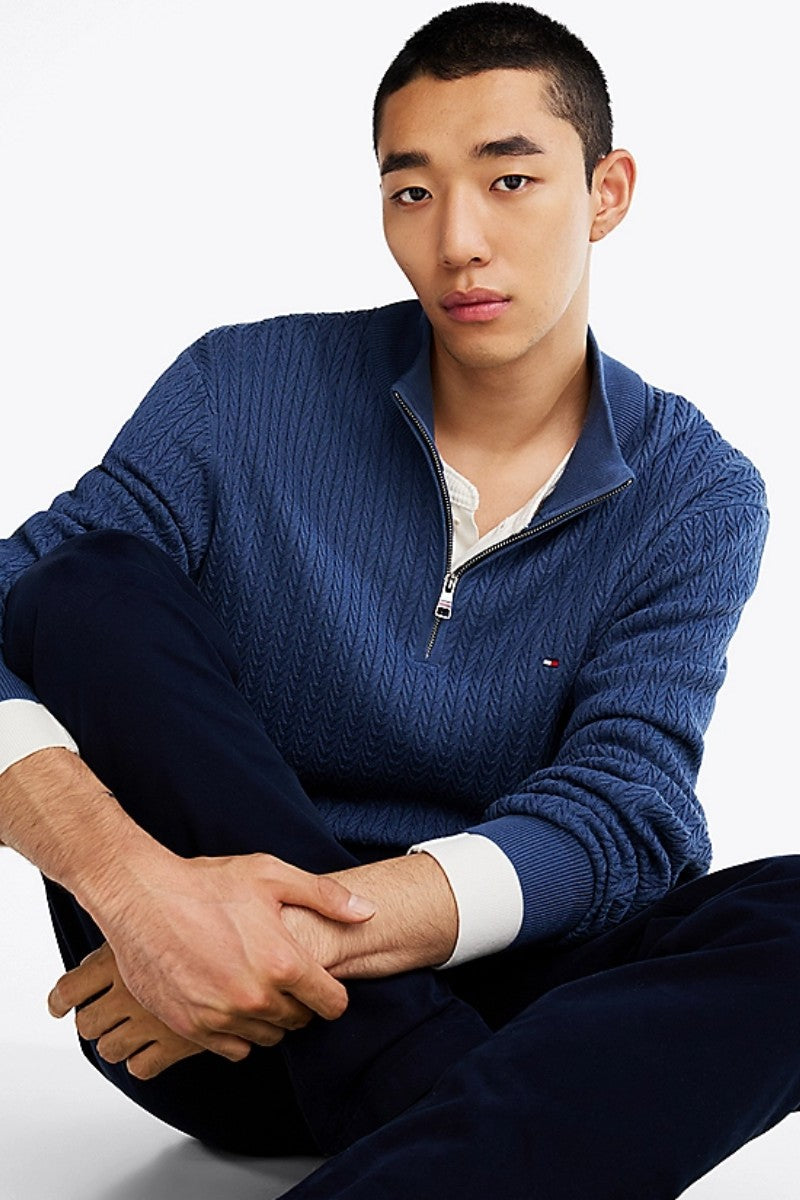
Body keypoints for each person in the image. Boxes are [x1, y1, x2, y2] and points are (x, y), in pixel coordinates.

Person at [0, 3, 796, 1197]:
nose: (457, 241)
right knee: (83, 591)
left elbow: (622, 814)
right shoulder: (239, 390)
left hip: (490, 979)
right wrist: (139, 895)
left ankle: (428, 1129)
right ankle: (487, 1129)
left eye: (510, 180)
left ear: (606, 192)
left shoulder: (694, 491)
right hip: (207, 1011)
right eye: (411, 192)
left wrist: (292, 932)